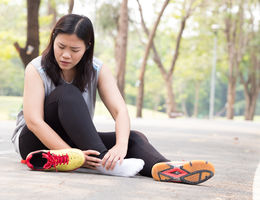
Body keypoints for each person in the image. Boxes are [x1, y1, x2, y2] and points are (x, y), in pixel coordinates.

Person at [11, 14, 214, 184]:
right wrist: (73, 154)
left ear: (87, 48)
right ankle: (103, 164)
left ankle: (167, 168)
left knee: (134, 136)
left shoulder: (97, 69)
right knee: (67, 93)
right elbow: (34, 122)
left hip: (74, 142)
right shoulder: (36, 69)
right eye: (61, 46)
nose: (65, 55)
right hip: (34, 141)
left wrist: (120, 146)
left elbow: (120, 111)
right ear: (53, 39)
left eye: (75, 50)